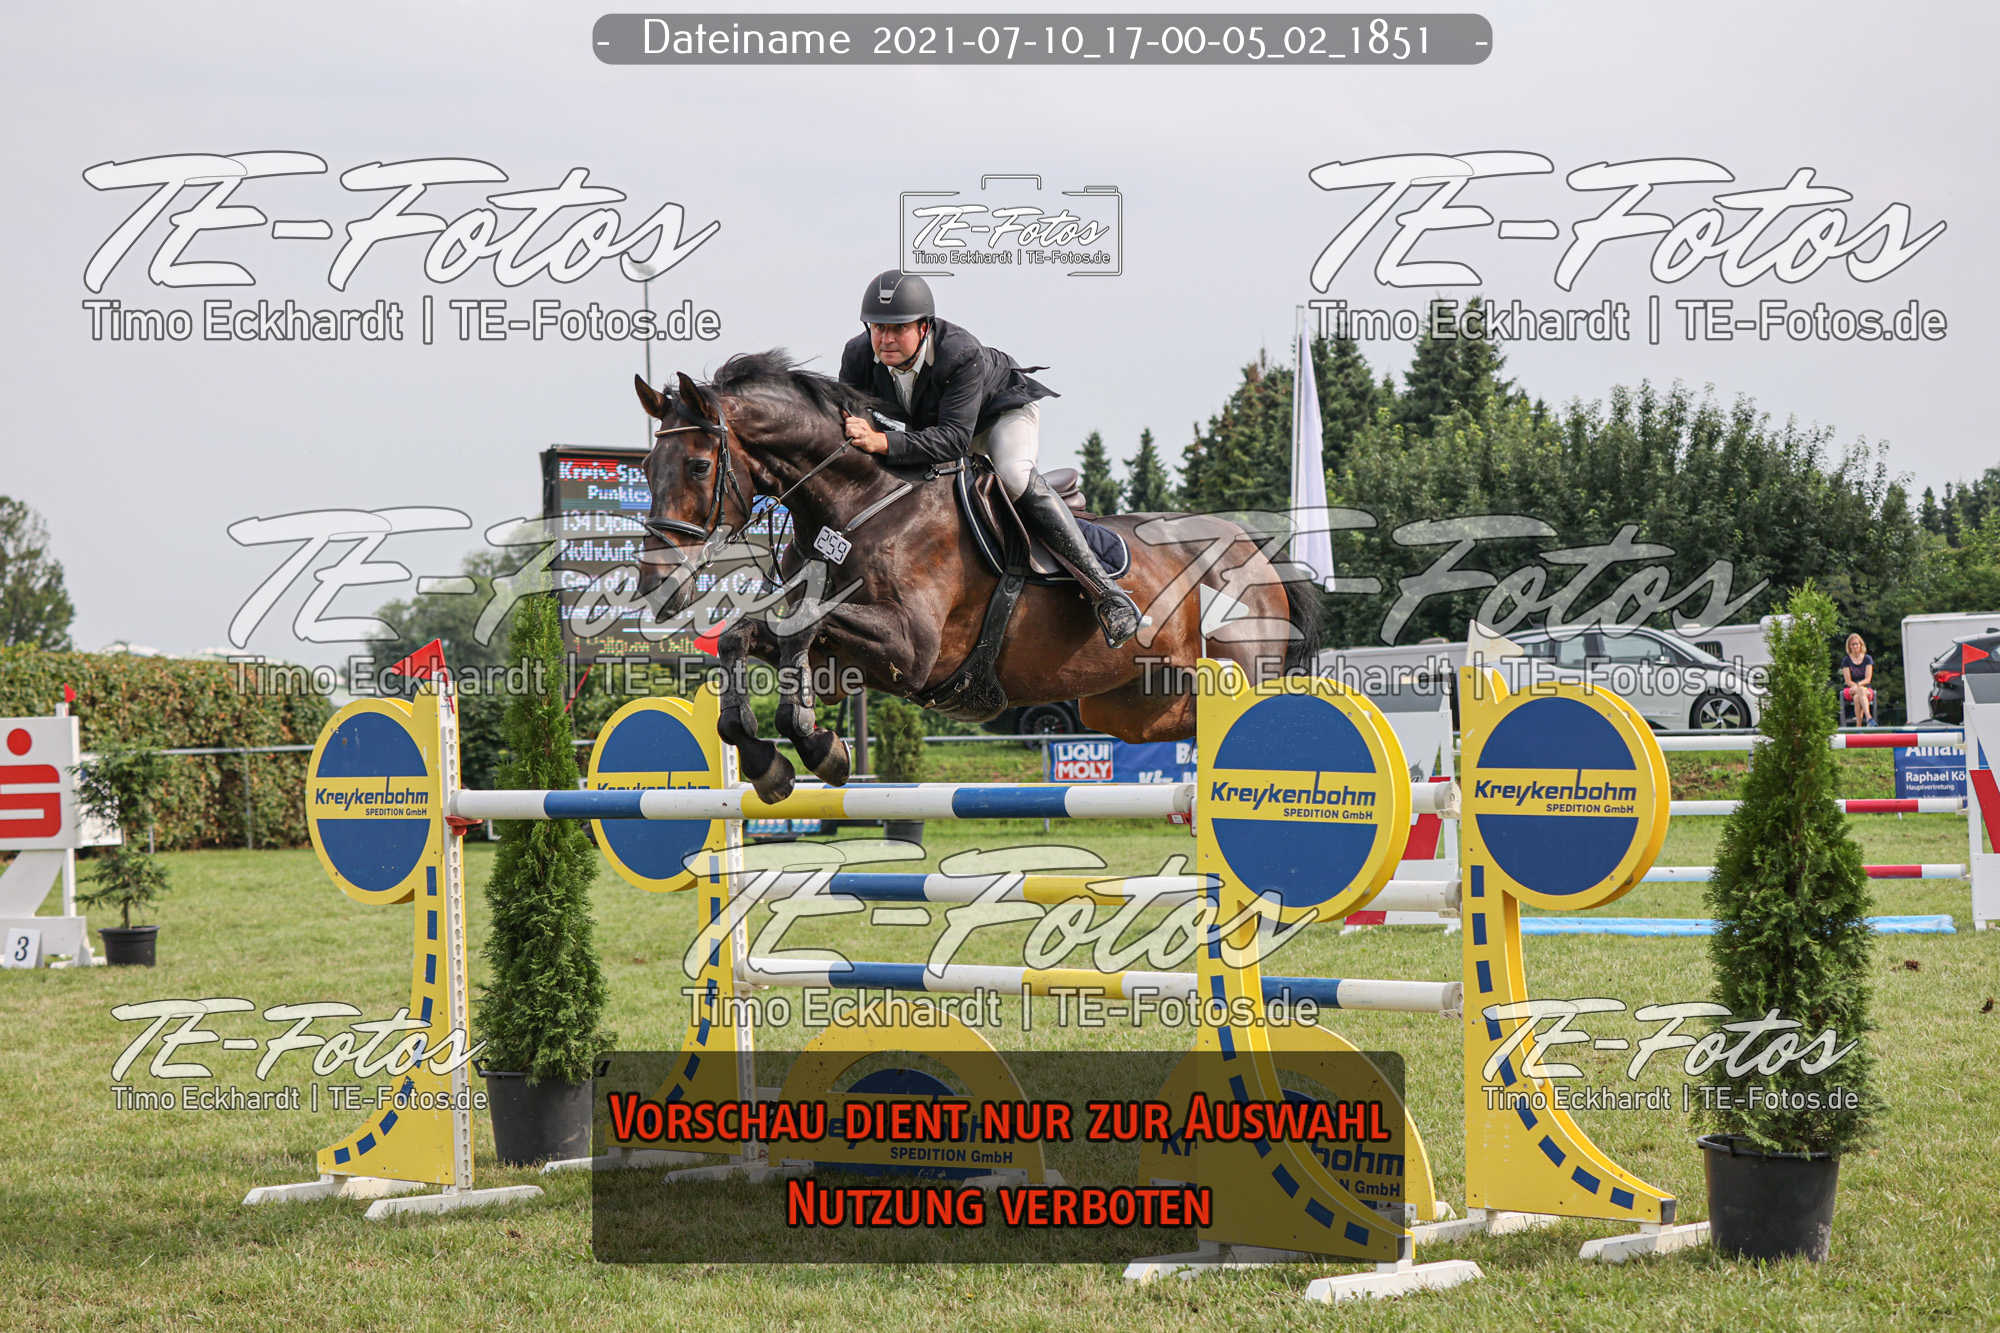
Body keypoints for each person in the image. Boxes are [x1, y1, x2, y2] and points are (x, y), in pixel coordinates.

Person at [837, 269, 1142, 648]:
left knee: (1013, 476)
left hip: (998, 416)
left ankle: (1107, 593)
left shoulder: (959, 353)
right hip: (937, 428)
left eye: (898, 329)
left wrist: (882, 441)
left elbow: (953, 441)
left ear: (924, 327)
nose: (885, 339)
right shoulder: (858, 355)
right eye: (878, 328)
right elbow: (850, 422)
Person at [1840, 632, 1876, 726]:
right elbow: (1848, 681)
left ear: (1861, 645)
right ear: (1849, 646)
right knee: (1860, 692)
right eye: (1853, 644)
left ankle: (1858, 727)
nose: (1855, 646)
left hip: (1866, 688)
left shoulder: (1867, 659)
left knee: (1857, 697)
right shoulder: (1846, 660)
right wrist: (1856, 687)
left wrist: (1858, 686)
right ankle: (1869, 717)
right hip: (1850, 688)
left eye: (1857, 644)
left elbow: (1868, 679)